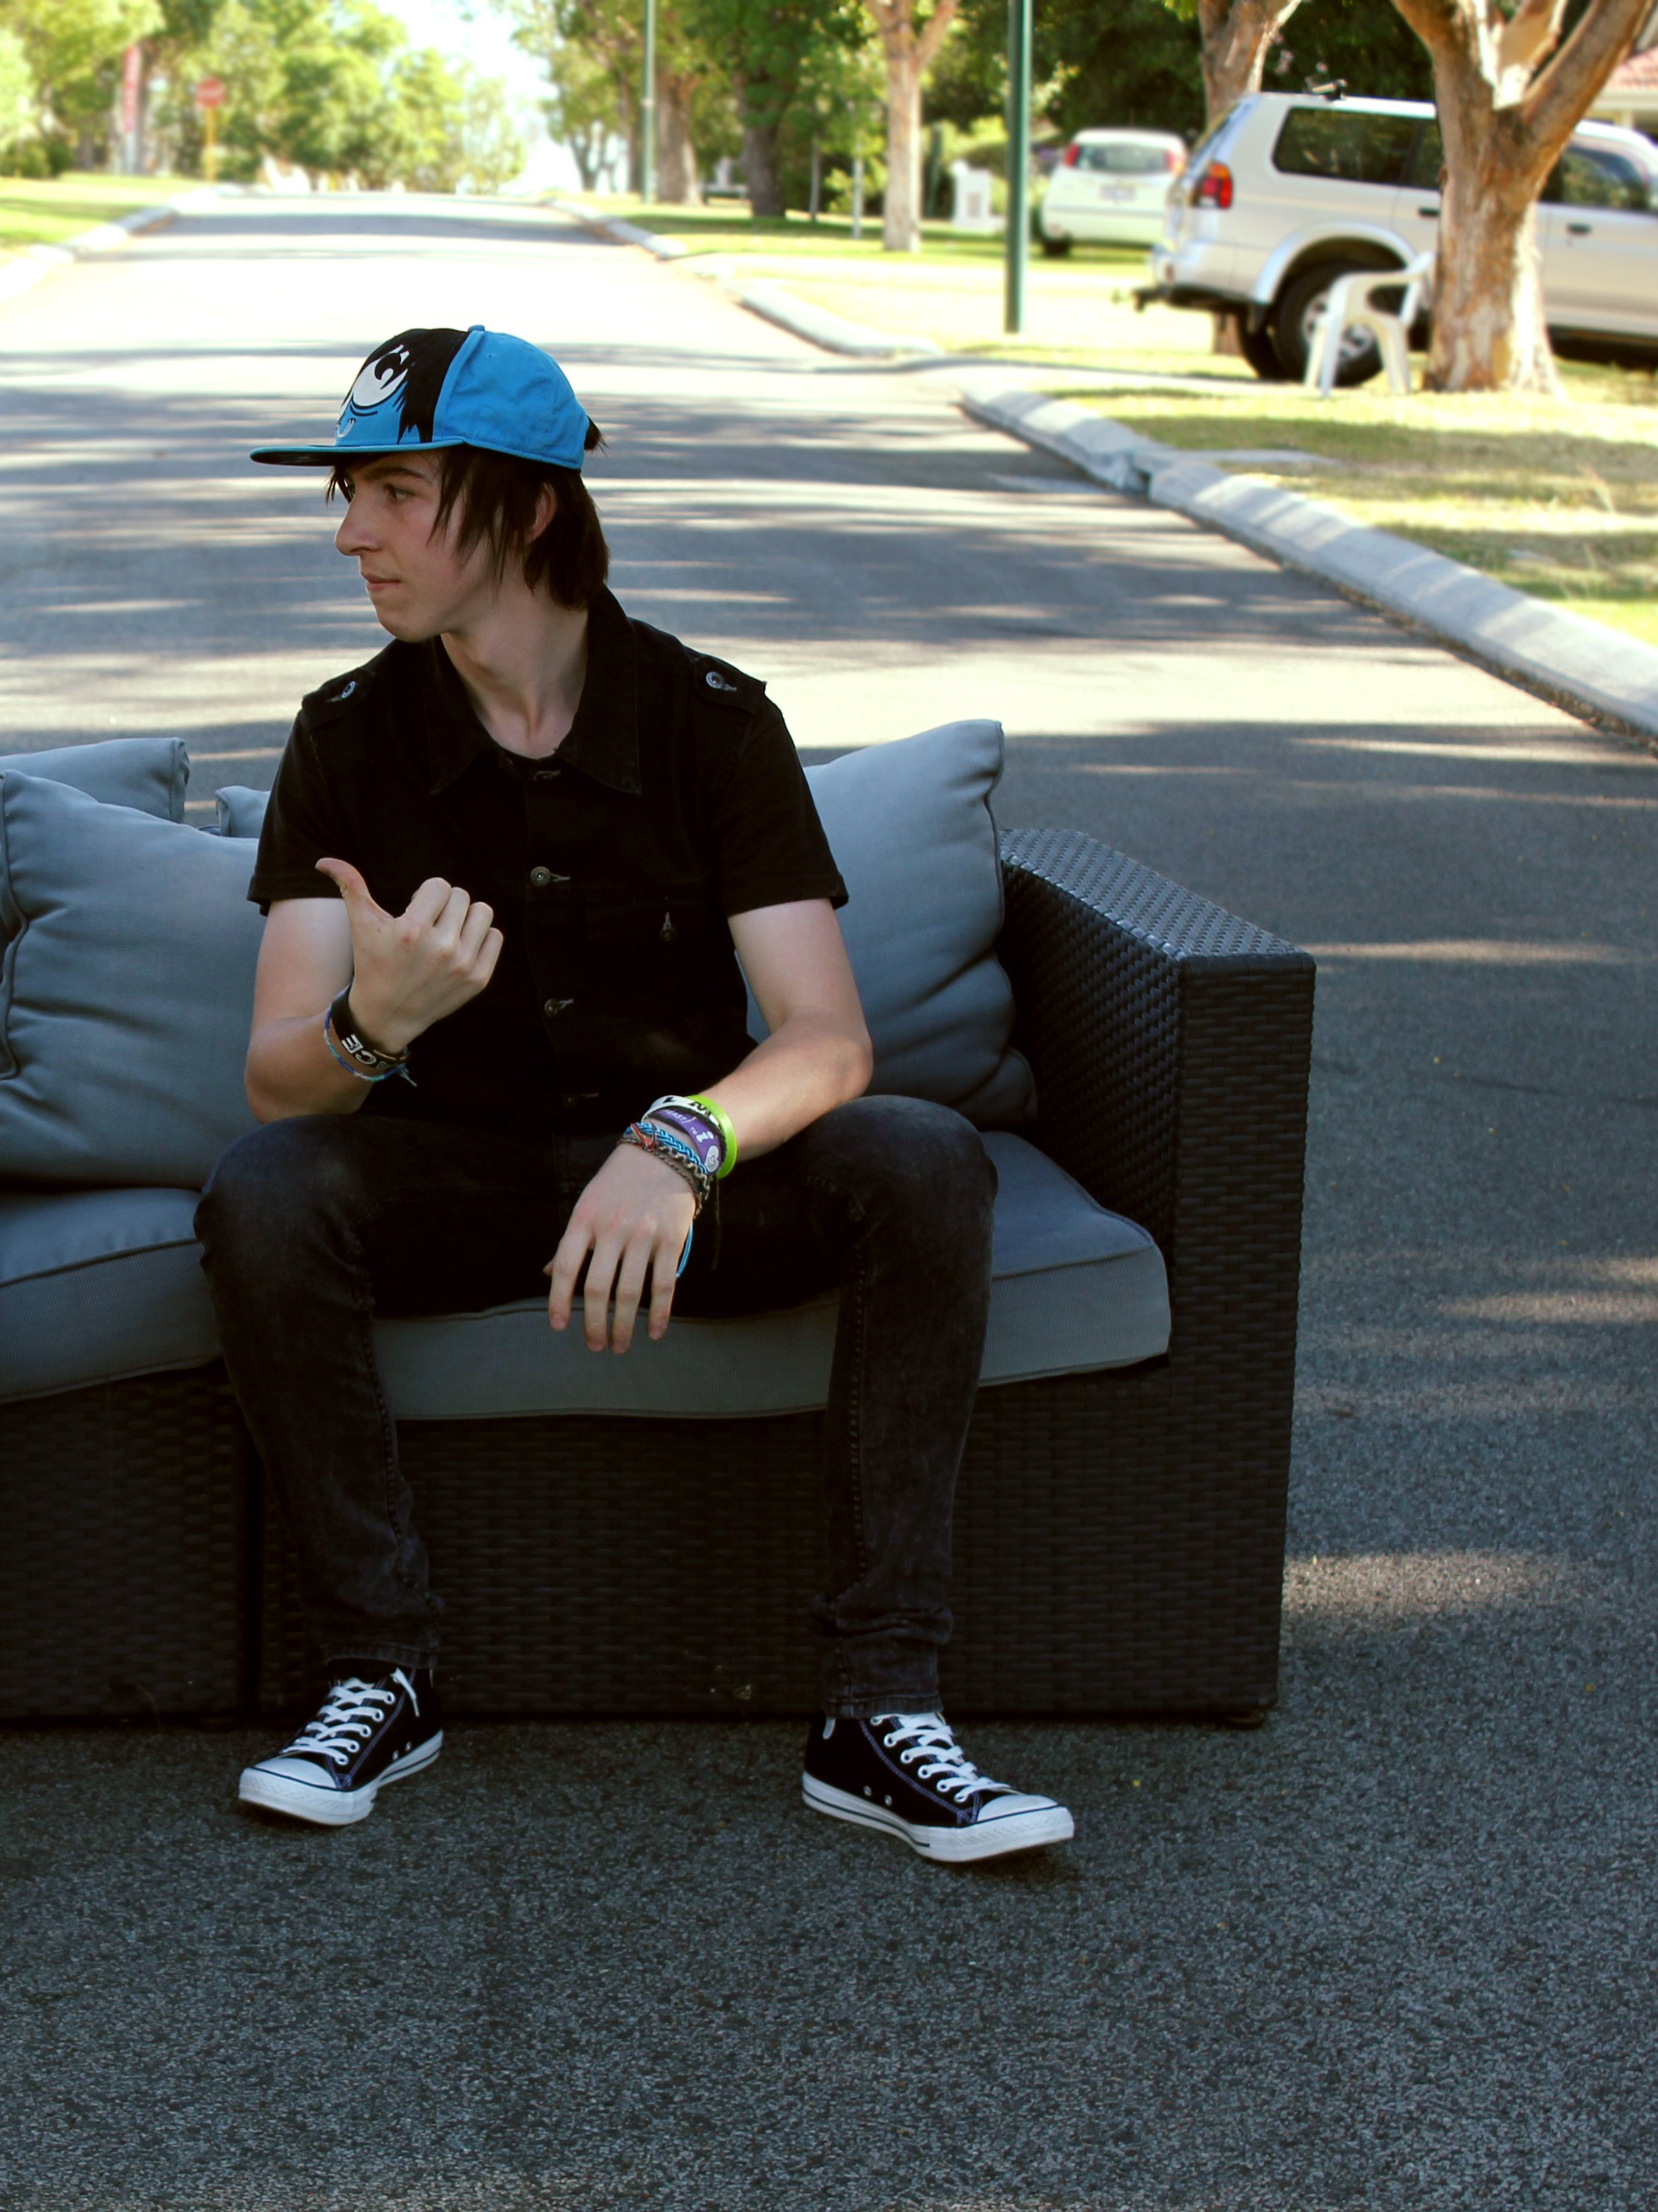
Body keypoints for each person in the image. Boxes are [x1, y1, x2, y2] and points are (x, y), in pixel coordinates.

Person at [196, 326, 1073, 1864]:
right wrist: (372, 1024)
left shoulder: (709, 721)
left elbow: (827, 1040)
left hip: (685, 1196)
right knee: (264, 1195)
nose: (352, 535)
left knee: (927, 1159)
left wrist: (680, 1143)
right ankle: (378, 1672)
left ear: (531, 506)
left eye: (397, 494)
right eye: (349, 494)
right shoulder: (346, 735)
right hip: (454, 1180)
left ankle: (879, 1711)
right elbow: (279, 1088)